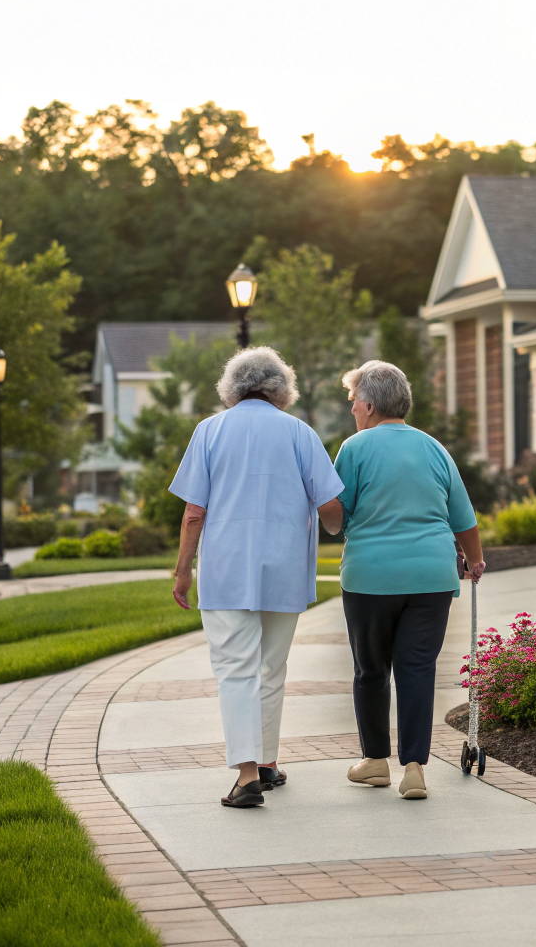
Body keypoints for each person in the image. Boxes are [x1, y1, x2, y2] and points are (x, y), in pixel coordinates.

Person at [169, 346, 344, 808]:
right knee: (271, 669)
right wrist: (334, 527)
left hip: (226, 571)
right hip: (285, 570)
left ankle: (248, 776)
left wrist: (183, 570)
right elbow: (330, 506)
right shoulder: (300, 432)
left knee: (235, 670)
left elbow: (194, 512)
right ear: (281, 387)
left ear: (231, 387)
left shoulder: (209, 430)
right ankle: (266, 762)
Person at [334, 360, 484, 800]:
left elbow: (335, 517)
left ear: (369, 404)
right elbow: (464, 519)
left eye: (353, 401)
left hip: (370, 578)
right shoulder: (435, 448)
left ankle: (375, 762)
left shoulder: (354, 448)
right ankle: (415, 768)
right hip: (431, 576)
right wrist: (475, 561)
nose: (352, 409)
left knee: (371, 670)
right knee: (417, 669)